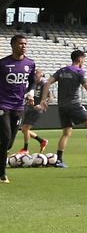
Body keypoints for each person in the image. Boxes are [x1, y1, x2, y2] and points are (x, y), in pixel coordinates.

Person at [46, 49, 87, 168]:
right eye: (84, 60)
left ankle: (59, 160)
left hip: (62, 106)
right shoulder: (79, 72)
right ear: (80, 59)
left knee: (66, 133)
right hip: (74, 104)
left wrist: (42, 100)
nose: (84, 62)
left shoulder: (62, 71)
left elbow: (47, 83)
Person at [1, 34, 39, 183]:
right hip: (2, 104)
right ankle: (2, 174)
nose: (23, 46)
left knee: (9, 142)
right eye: (20, 44)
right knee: (5, 138)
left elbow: (32, 83)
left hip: (18, 105)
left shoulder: (30, 63)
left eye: (25, 44)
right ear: (12, 45)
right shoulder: (3, 64)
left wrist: (30, 93)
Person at [18, 67, 51, 158]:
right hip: (30, 107)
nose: (35, 76)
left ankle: (25, 149)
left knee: (25, 129)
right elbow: (26, 93)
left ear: (41, 75)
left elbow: (49, 97)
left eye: (36, 74)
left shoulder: (44, 84)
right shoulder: (32, 84)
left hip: (37, 109)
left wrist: (41, 105)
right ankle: (41, 141)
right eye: (34, 75)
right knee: (24, 130)